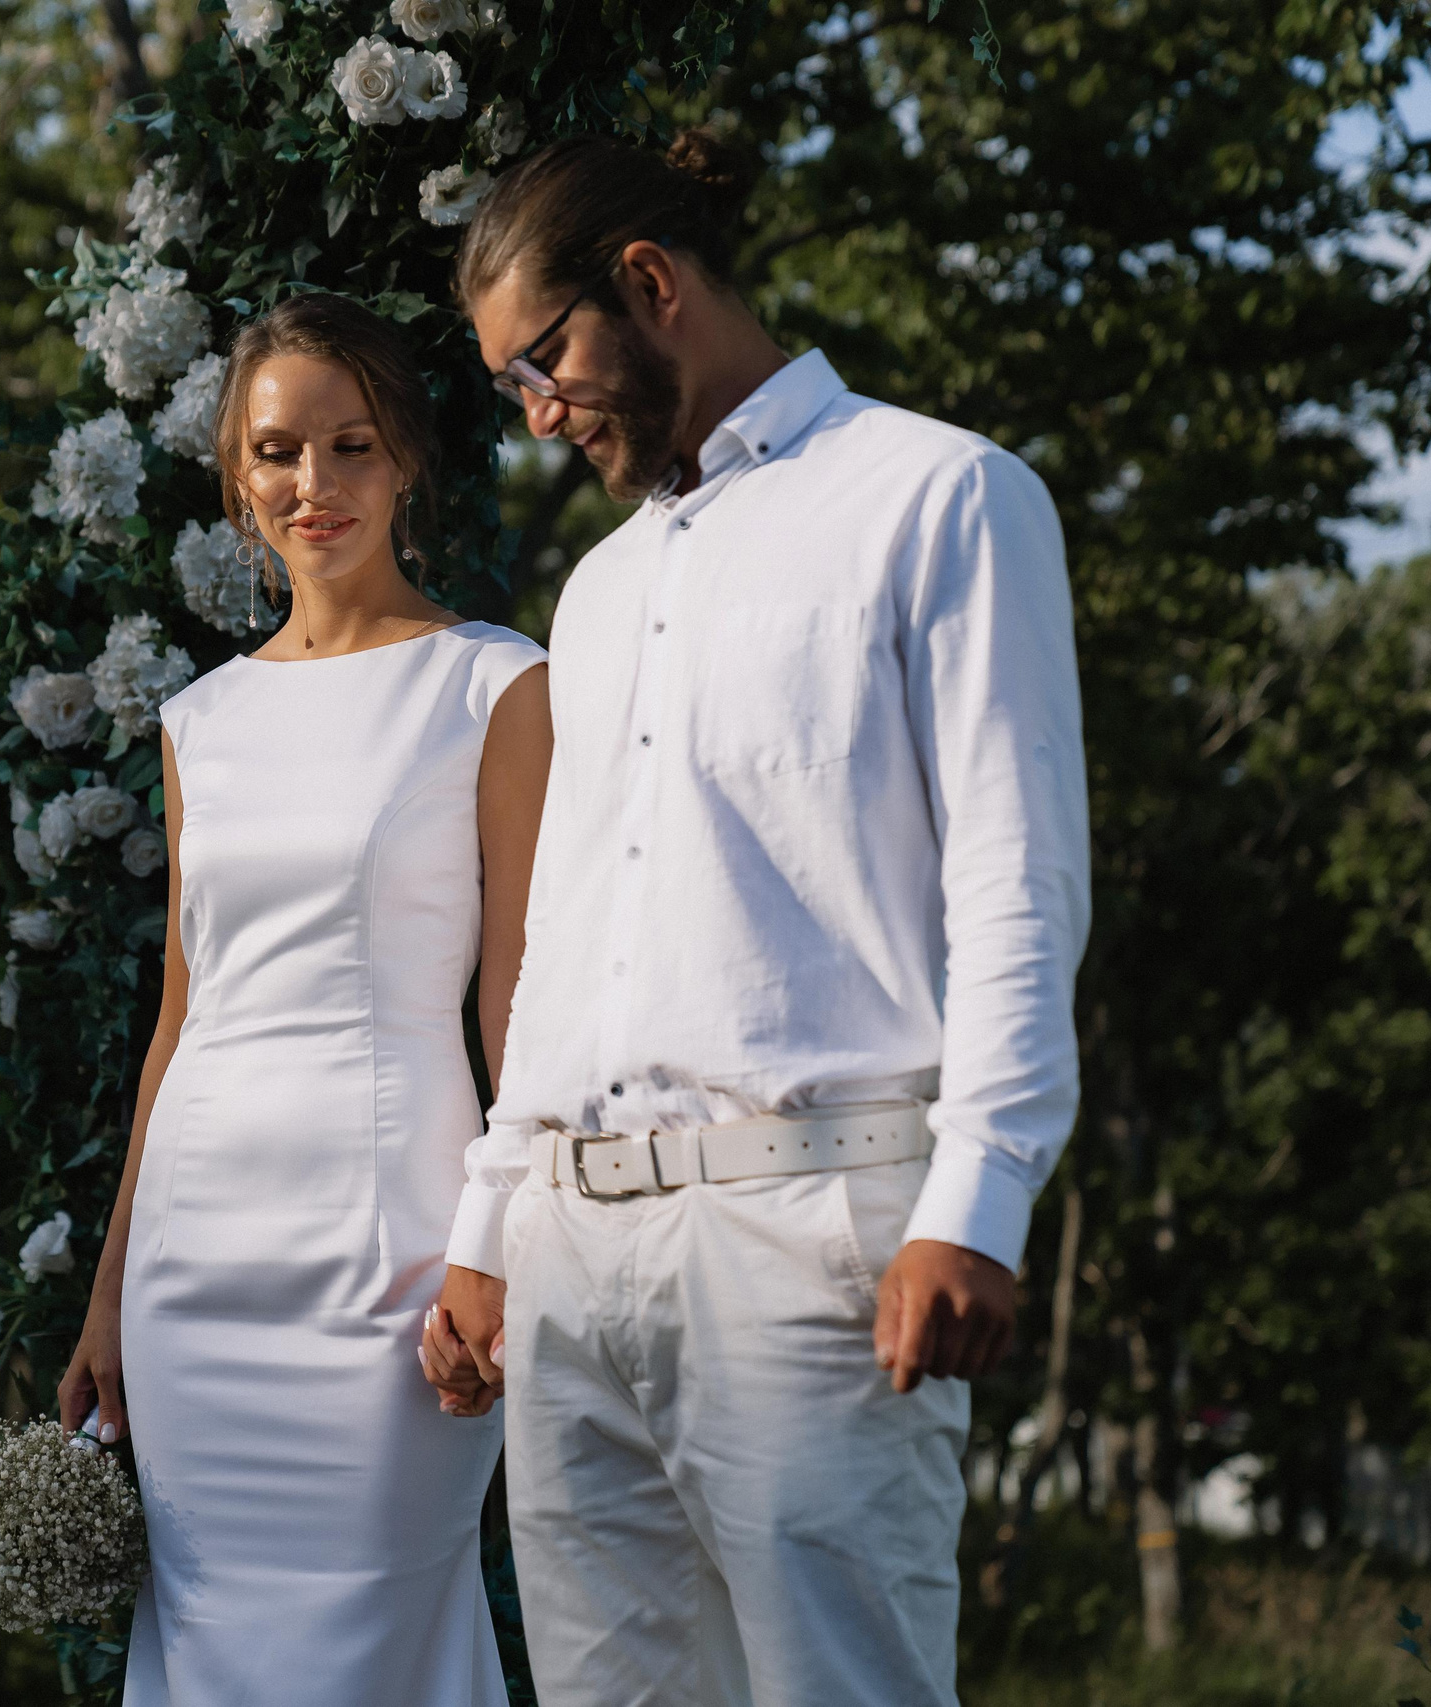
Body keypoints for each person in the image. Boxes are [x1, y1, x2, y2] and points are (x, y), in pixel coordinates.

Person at [424, 127, 1092, 1706]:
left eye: (544, 361)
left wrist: (976, 1200)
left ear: (649, 284)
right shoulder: (594, 594)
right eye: (509, 383)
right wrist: (489, 1231)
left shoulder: (942, 498)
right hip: (579, 1260)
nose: (536, 412)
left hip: (817, 1247)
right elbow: (571, 948)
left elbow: (1018, 877)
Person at [57, 292, 553, 1707]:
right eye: (279, 453)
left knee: (374, 1647)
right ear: (236, 479)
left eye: (349, 446)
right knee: (207, 1658)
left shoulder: (493, 687)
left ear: (405, 461)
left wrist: (497, 1244)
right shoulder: (197, 721)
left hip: (392, 1258)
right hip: (194, 1279)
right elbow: (179, 1019)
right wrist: (107, 1298)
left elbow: (523, 1003)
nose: (313, 486)